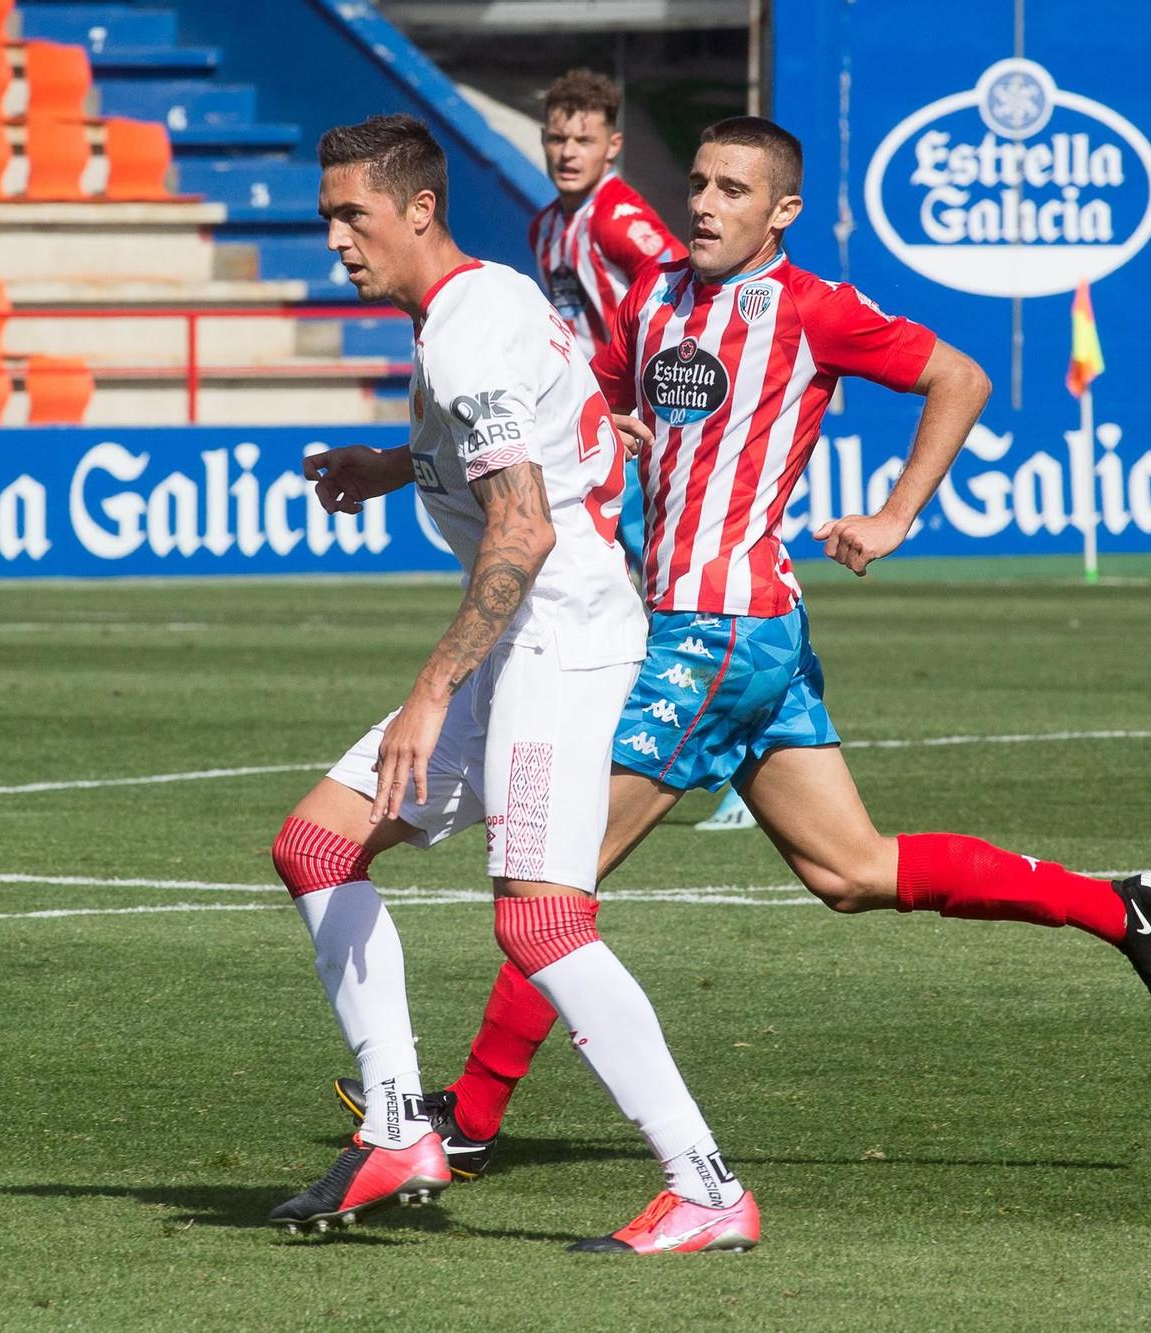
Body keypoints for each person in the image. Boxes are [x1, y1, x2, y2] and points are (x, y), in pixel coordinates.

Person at [330, 116, 1151, 1180]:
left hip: (719, 631)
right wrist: (403, 462)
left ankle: (467, 1110)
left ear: (779, 211)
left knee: (552, 888)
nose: (702, 203)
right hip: (723, 632)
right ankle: (1119, 904)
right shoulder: (652, 300)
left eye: (733, 191)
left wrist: (893, 515)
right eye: (696, 182)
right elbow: (569, 414)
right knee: (849, 868)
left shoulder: (807, 306)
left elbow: (957, 378)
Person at [269, 114, 759, 1255]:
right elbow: (530, 440)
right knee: (314, 846)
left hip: (558, 639)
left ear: (418, 209)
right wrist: (390, 466)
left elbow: (524, 528)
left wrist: (435, 685)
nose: (337, 237)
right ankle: (398, 1126)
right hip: (527, 634)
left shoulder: (463, 335)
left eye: (354, 214)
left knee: (540, 921)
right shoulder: (480, 295)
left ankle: (705, 1187)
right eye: (327, 214)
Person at [530, 69, 755, 833]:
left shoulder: (617, 218)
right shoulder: (547, 225)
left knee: (667, 590)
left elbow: (685, 288)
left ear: (613, 146)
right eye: (557, 137)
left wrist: (650, 405)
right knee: (632, 585)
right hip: (590, 433)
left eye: (583, 139)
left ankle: (718, 757)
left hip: (632, 441)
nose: (567, 151)